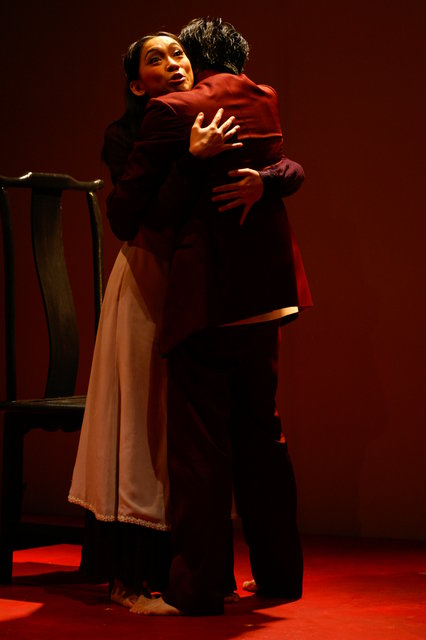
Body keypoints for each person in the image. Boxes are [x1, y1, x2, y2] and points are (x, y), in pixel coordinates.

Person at [69, 29, 305, 610]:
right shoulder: (135, 129)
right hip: (154, 276)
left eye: (179, 53)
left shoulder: (195, 109)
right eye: (157, 59)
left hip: (205, 290)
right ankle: (171, 570)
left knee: (207, 438)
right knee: (171, 429)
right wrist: (193, 162)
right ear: (136, 84)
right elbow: (130, 219)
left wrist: (264, 180)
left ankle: (203, 582)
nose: (174, 64)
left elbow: (285, 163)